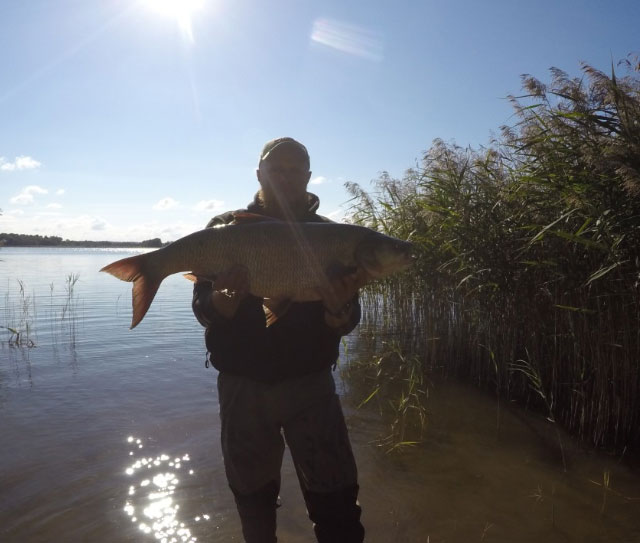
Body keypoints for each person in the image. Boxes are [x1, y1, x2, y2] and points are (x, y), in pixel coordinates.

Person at [192, 137, 366, 543]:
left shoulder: (334, 237)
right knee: (254, 506)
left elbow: (349, 316)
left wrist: (338, 309)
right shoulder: (225, 230)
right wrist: (222, 302)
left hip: (312, 385)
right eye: (276, 169)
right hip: (242, 387)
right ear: (259, 175)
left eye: (295, 170)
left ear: (308, 177)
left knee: (338, 505)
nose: (285, 177)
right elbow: (203, 309)